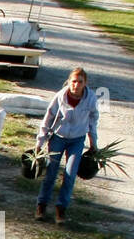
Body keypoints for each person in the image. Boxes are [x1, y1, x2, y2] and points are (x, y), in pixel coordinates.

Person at [35, 66, 100, 224]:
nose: (76, 85)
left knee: (70, 175)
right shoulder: (60, 96)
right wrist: (40, 142)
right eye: (73, 81)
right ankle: (41, 206)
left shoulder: (90, 98)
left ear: (85, 83)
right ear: (68, 81)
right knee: (51, 173)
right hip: (58, 137)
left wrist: (93, 143)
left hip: (77, 140)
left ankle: (61, 210)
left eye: (80, 82)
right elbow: (48, 118)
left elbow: (93, 120)